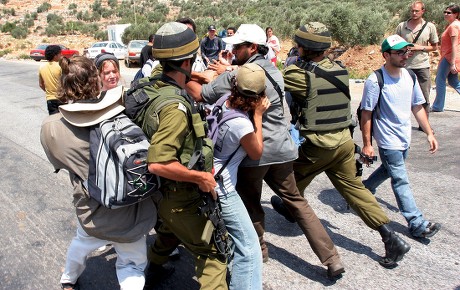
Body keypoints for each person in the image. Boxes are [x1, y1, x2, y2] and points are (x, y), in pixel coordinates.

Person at [187, 23, 346, 279]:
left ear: (252, 47)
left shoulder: (241, 75)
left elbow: (202, 95)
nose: (234, 51)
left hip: (255, 150)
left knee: (250, 204)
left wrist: (184, 76)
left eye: (238, 47)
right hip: (283, 149)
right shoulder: (275, 70)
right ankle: (332, 258)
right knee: (298, 203)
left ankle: (259, 250)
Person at [278, 22, 412, 269]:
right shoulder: (339, 69)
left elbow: (271, 82)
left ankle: (290, 207)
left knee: (286, 183)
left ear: (304, 48)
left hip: (317, 146)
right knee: (355, 190)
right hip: (343, 144)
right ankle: (390, 237)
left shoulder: (299, 75)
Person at [40, 56, 157, 290]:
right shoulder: (123, 112)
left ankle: (68, 280)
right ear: (96, 81)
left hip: (91, 212)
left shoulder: (51, 128)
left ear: (64, 84)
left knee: (81, 243)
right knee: (132, 266)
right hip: (130, 210)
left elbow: (60, 164)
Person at [143, 22, 228, 290]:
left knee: (169, 232)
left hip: (160, 196)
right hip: (179, 194)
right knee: (213, 254)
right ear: (188, 62)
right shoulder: (176, 109)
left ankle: (153, 270)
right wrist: (200, 176)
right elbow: (158, 162)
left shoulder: (151, 85)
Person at [361, 34, 441, 239]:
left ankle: (363, 190)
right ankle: (416, 222)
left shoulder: (410, 76)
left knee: (389, 170)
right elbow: (366, 113)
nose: (406, 55)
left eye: (407, 51)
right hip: (388, 140)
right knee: (400, 179)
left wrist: (429, 133)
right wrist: (367, 144)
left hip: (405, 138)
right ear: (386, 55)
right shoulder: (375, 80)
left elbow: (417, 106)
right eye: (400, 52)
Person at [213, 63, 269, 289]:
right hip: (223, 189)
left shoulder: (222, 101)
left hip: (210, 176)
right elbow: (256, 152)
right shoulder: (242, 124)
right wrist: (258, 116)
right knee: (249, 249)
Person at [396, 1, 439, 131]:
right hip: (404, 66)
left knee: (424, 96)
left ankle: (424, 125)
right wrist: (403, 50)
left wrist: (420, 47)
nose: (414, 13)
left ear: (423, 11)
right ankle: (399, 123)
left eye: (417, 11)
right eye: (412, 11)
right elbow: (394, 44)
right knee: (401, 95)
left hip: (422, 66)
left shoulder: (429, 27)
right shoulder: (401, 26)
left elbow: (434, 46)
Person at [431, 4, 460, 112]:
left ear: (456, 14)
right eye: (445, 12)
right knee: (453, 81)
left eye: (449, 13)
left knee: (440, 80)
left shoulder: (453, 26)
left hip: (449, 57)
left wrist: (452, 63)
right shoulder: (454, 25)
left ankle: (438, 106)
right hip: (451, 56)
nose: (446, 14)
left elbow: (454, 45)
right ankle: (438, 105)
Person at [38, 44, 63, 115]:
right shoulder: (60, 66)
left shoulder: (41, 68)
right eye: (59, 54)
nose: (61, 55)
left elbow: (41, 84)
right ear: (55, 56)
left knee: (54, 121)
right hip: (61, 98)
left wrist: (49, 92)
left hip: (50, 99)